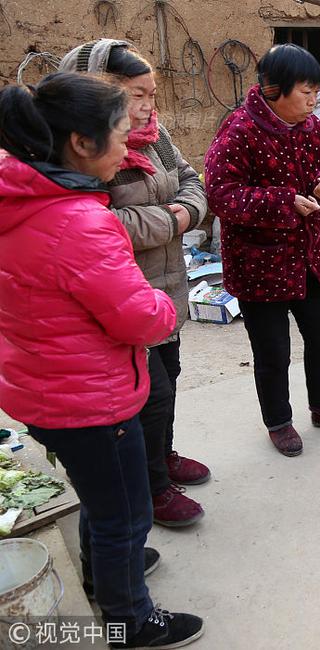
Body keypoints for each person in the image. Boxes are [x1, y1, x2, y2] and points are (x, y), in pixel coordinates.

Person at [0, 72, 204, 648]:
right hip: (90, 398)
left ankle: (102, 576)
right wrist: (164, 302)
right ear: (82, 144)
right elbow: (140, 317)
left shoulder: (18, 201)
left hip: (42, 390)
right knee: (126, 514)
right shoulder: (81, 222)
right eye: (119, 133)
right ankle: (131, 621)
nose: (127, 144)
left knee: (100, 499)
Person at [60, 39, 210, 530]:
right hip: (122, 298)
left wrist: (184, 210)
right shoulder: (85, 148)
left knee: (170, 376)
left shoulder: (155, 134)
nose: (148, 107)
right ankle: (153, 487)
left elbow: (193, 182)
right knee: (149, 394)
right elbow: (102, 223)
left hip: (165, 288)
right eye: (135, 95)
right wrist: (174, 220)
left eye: (152, 94)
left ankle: (160, 458)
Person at [205, 44, 320, 457]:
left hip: (308, 259)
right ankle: (278, 422)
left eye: (316, 92)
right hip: (259, 265)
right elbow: (222, 195)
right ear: (274, 90)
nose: (313, 101)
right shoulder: (239, 131)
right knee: (273, 352)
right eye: (305, 92)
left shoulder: (311, 128)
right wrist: (284, 201)